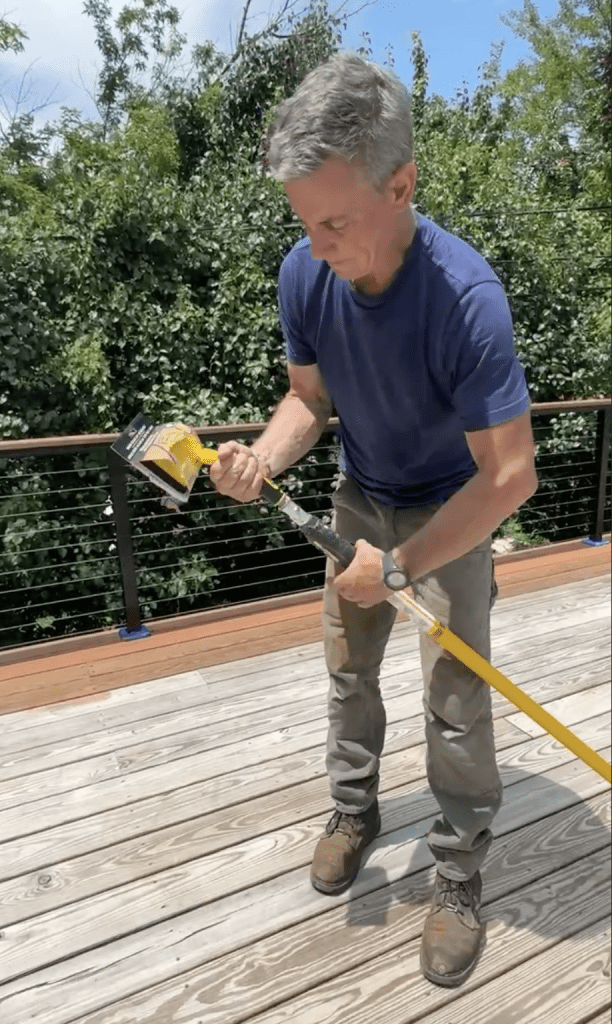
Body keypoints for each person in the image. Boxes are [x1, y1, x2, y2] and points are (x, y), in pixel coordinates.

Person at [209, 53, 538, 988]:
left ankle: (460, 870)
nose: (315, 245)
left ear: (403, 185)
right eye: (303, 223)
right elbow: (305, 401)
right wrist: (265, 458)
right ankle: (355, 811)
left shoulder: (465, 298)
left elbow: (509, 476)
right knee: (348, 672)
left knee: (456, 698)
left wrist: (399, 569)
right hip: (360, 494)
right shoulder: (305, 273)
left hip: (452, 507)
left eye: (334, 223)